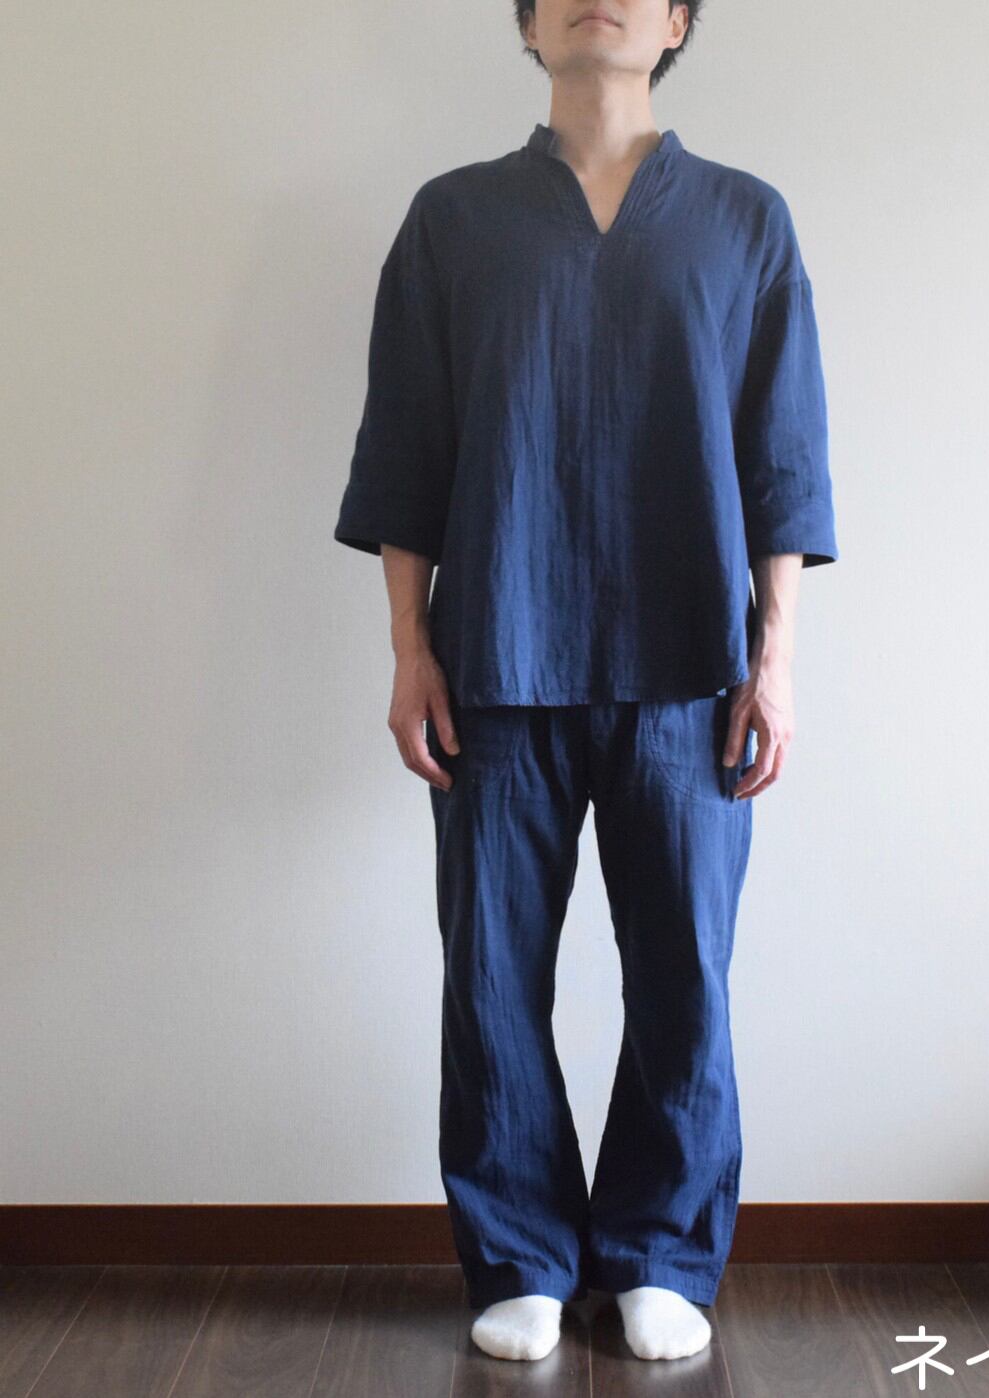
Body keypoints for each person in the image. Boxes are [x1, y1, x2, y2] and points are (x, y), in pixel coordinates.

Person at [334, 0, 838, 1365]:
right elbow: (407, 449)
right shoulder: (454, 220)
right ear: (526, 24)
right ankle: (521, 1253)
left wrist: (775, 660)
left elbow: (783, 454)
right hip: (496, 657)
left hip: (693, 671)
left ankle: (661, 1250)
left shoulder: (744, 220)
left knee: (685, 978)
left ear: (676, 22)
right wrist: (411, 648)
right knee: (492, 976)